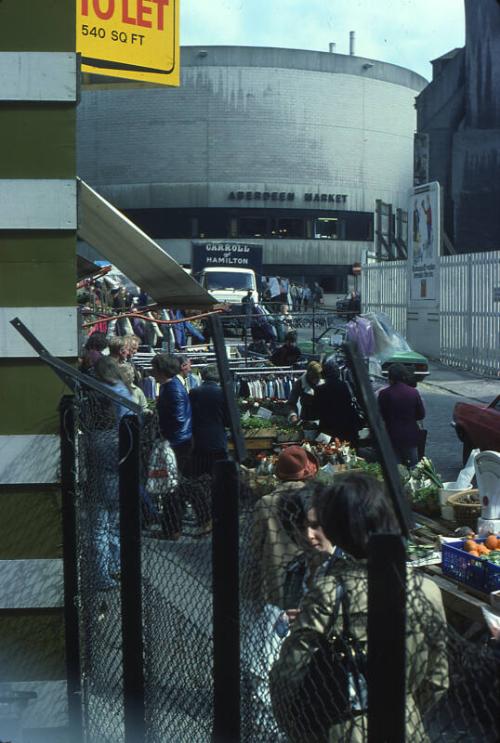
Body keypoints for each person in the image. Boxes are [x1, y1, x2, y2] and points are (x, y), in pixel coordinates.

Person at [270, 473, 449, 743]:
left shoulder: (330, 592)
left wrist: (298, 727)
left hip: (339, 728)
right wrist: (406, 708)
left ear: (336, 528)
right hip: (405, 727)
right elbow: (438, 680)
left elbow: (290, 672)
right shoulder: (427, 590)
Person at [85, 357, 137, 590]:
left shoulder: (92, 438)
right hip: (120, 478)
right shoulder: (124, 390)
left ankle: (101, 574)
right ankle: (116, 566)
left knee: (98, 530)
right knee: (115, 526)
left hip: (98, 485)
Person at [248, 446, 319, 608]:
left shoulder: (266, 503)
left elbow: (256, 545)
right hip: (313, 578)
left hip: (276, 579)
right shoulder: (317, 500)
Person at [378, 363, 425, 468]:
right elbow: (421, 414)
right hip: (410, 435)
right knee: (413, 468)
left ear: (390, 377)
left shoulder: (384, 394)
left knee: (396, 468)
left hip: (392, 435)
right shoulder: (413, 392)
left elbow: (381, 414)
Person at [151, 354, 192, 476]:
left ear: (161, 370)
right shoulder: (168, 386)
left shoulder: (173, 389)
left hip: (177, 443)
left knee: (174, 478)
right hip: (175, 440)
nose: (152, 372)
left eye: (154, 368)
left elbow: (178, 419)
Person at [310, 356, 361, 447]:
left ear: (324, 374)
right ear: (338, 373)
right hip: (348, 429)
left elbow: (315, 412)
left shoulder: (319, 390)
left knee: (330, 456)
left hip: (328, 431)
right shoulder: (348, 386)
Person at [189, 365, 230, 477]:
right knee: (218, 476)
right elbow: (228, 420)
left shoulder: (194, 392)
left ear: (202, 376)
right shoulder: (224, 393)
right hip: (218, 441)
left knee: (199, 475)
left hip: (199, 441)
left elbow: (189, 416)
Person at [287, 360, 324, 425]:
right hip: (306, 419)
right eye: (314, 378)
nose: (316, 380)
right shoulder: (299, 383)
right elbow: (291, 403)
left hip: (323, 419)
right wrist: (293, 416)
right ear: (309, 374)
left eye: (318, 378)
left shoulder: (324, 382)